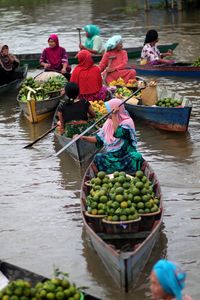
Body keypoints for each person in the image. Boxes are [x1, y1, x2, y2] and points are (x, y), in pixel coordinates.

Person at [79, 98, 143, 174]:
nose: (107, 113)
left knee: (137, 156)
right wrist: (83, 137)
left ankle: (131, 174)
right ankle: (106, 174)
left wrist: (114, 115)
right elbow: (98, 139)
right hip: (111, 159)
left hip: (125, 157)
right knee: (98, 157)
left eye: (109, 110)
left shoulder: (127, 122)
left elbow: (118, 133)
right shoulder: (108, 123)